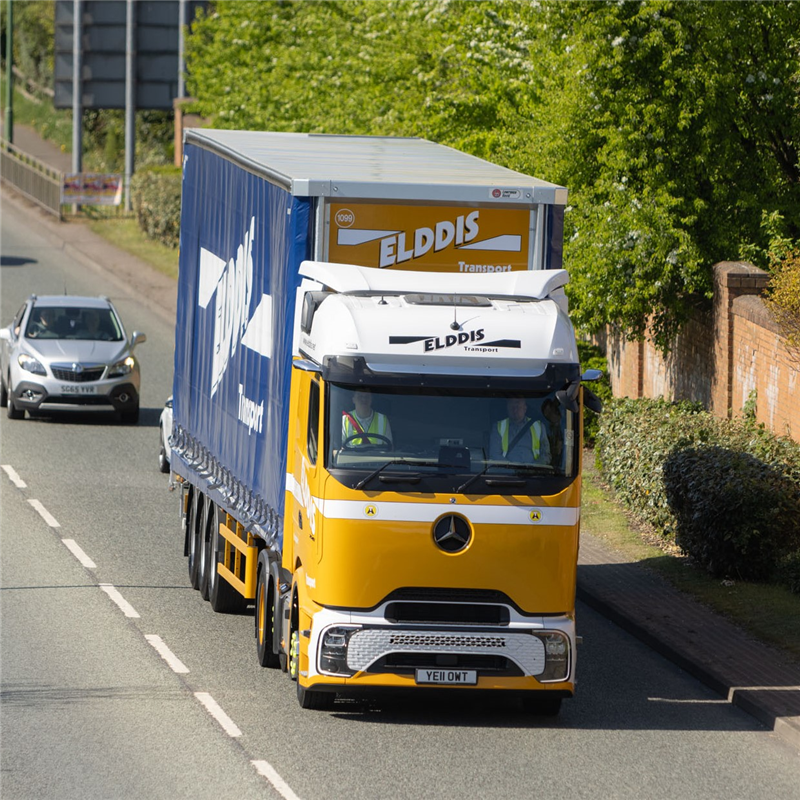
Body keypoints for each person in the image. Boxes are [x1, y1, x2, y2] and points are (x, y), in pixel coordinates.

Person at [489, 397, 550, 465]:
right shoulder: (498, 427)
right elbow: (494, 455)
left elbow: (546, 455)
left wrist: (533, 469)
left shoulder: (539, 426)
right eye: (512, 407)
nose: (515, 410)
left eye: (518, 407)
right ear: (507, 408)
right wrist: (511, 469)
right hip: (506, 473)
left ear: (525, 408)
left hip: (533, 473)